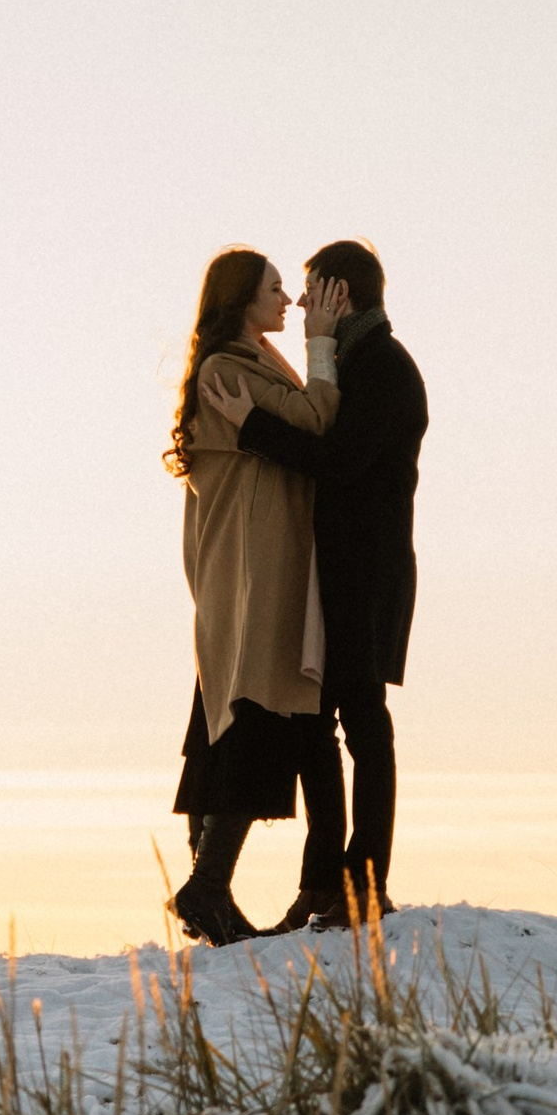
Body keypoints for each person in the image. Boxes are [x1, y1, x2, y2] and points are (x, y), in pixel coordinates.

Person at [201, 237, 427, 931]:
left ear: (339, 294)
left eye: (310, 289)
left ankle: (364, 886)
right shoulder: (352, 362)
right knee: (317, 729)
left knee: (363, 725)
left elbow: (336, 460)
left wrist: (251, 426)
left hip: (368, 575)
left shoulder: (384, 367)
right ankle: (323, 884)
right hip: (333, 574)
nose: (300, 303)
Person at [163, 248, 351, 944]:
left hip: (254, 571)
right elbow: (315, 419)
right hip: (252, 575)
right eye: (275, 288)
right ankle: (207, 888)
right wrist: (321, 343)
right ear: (242, 297)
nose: (289, 301)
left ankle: (209, 891)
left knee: (233, 723)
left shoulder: (250, 363)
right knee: (246, 721)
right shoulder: (227, 370)